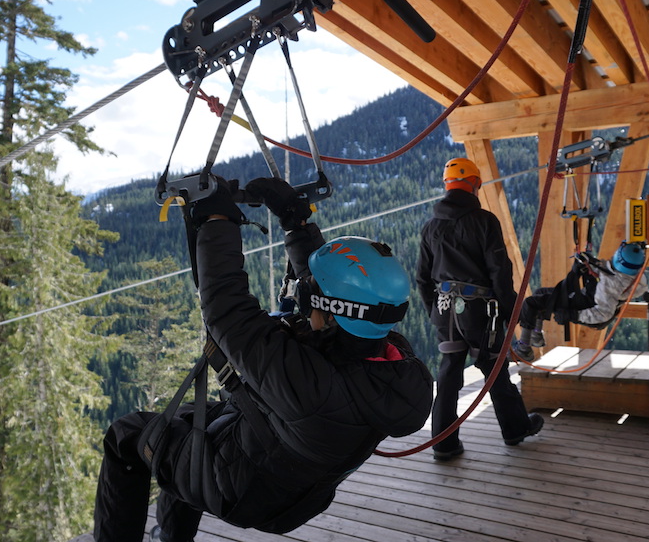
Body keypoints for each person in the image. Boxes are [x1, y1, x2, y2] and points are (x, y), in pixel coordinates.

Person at [93, 176, 433, 542]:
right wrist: (297, 224)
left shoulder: (311, 386)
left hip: (241, 488)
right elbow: (333, 299)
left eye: (307, 298)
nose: (302, 301)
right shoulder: (396, 362)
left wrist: (216, 220)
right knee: (188, 424)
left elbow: (227, 311)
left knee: (126, 436)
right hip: (292, 483)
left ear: (332, 313)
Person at [416, 157, 543, 462]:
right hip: (479, 313)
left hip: (445, 311)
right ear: (475, 184)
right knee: (494, 369)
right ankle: (515, 429)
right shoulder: (485, 221)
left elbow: (422, 277)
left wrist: (435, 311)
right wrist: (513, 312)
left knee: (448, 374)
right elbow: (500, 271)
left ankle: (444, 444)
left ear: (447, 187)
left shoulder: (431, 227)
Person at [514, 242, 649, 352]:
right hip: (587, 299)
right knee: (541, 293)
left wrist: (572, 315)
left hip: (584, 308)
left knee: (531, 303)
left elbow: (602, 313)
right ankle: (536, 336)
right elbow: (608, 273)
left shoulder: (611, 285)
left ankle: (524, 349)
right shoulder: (632, 277)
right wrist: (589, 264)